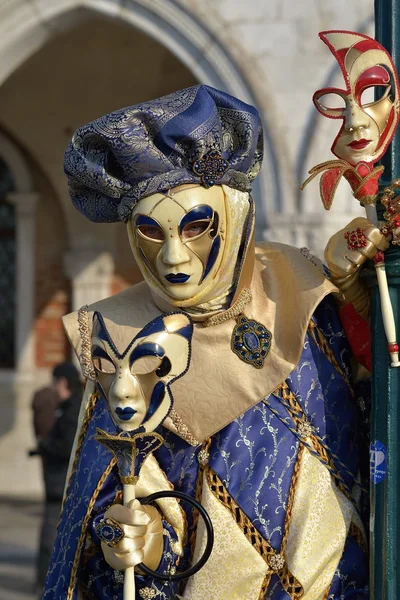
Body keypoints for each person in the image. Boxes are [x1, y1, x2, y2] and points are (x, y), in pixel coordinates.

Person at [43, 83, 385, 600]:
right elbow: (111, 521)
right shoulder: (124, 349)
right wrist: (145, 543)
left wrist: (367, 306)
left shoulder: (307, 297)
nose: (174, 260)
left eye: (198, 226)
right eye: (152, 234)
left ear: (235, 215)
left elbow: (375, 418)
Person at [35, 362, 82, 593]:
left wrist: (45, 445)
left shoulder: (73, 408)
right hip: (57, 481)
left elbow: (67, 446)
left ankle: (47, 584)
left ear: (62, 382)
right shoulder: (68, 406)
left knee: (50, 535)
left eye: (55, 382)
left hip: (61, 483)